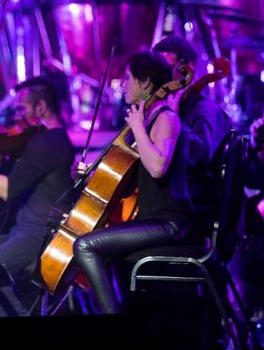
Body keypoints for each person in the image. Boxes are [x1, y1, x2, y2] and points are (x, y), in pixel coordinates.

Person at [73, 51, 200, 314]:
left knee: (84, 246)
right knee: (98, 248)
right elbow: (131, 183)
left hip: (172, 223)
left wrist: (138, 129)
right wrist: (93, 176)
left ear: (145, 82)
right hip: (153, 220)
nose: (121, 85)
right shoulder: (150, 119)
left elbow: (157, 168)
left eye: (127, 78)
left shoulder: (165, 117)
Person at [0, 78, 75, 314]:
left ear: (41, 107)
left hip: (39, 236)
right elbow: (4, 176)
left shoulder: (50, 143)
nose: (16, 117)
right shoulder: (39, 140)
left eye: (22, 109)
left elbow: (7, 189)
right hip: (22, 231)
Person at [153, 36, 232, 226]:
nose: (159, 78)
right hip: (162, 206)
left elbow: (200, 156)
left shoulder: (207, 111)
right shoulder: (161, 106)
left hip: (188, 215)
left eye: (165, 70)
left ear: (188, 69)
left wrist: (174, 121)